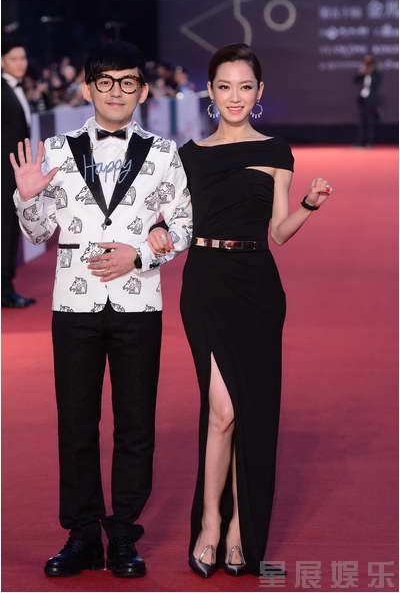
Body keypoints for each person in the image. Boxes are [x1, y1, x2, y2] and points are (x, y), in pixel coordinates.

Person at [148, 43, 333, 577]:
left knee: (249, 411)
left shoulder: (276, 150)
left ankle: (237, 532)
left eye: (245, 86)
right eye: (225, 86)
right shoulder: (189, 155)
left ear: (259, 92)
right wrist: (157, 226)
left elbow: (278, 232)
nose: (235, 96)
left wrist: (309, 205)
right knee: (223, 410)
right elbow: (170, 217)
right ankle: (210, 523)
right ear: (210, 91)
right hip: (205, 285)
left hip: (257, 288)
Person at [11, 41, 192, 578]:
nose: (117, 92)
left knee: (136, 425)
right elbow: (38, 233)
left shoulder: (164, 153)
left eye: (127, 82)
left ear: (143, 90)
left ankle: (124, 535)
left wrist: (141, 254)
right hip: (74, 303)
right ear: (88, 89)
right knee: (76, 424)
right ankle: (82, 534)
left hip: (139, 302)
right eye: (106, 82)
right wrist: (26, 198)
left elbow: (185, 223)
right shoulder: (56, 149)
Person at [1, 40, 36, 308]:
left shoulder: (18, 88)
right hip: (4, 172)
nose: (21, 63)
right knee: (5, 229)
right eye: (14, 59)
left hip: (15, 172)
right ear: (2, 61)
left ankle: (6, 287)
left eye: (23, 58)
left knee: (11, 228)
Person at [354, 54, 382, 147]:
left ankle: (370, 142)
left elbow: (377, 83)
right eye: (365, 61)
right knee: (361, 121)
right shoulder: (363, 71)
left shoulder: (376, 72)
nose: (366, 63)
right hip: (362, 99)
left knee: (370, 121)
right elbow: (355, 80)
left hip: (372, 99)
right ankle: (361, 142)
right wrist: (361, 73)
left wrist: (370, 73)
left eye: (368, 61)